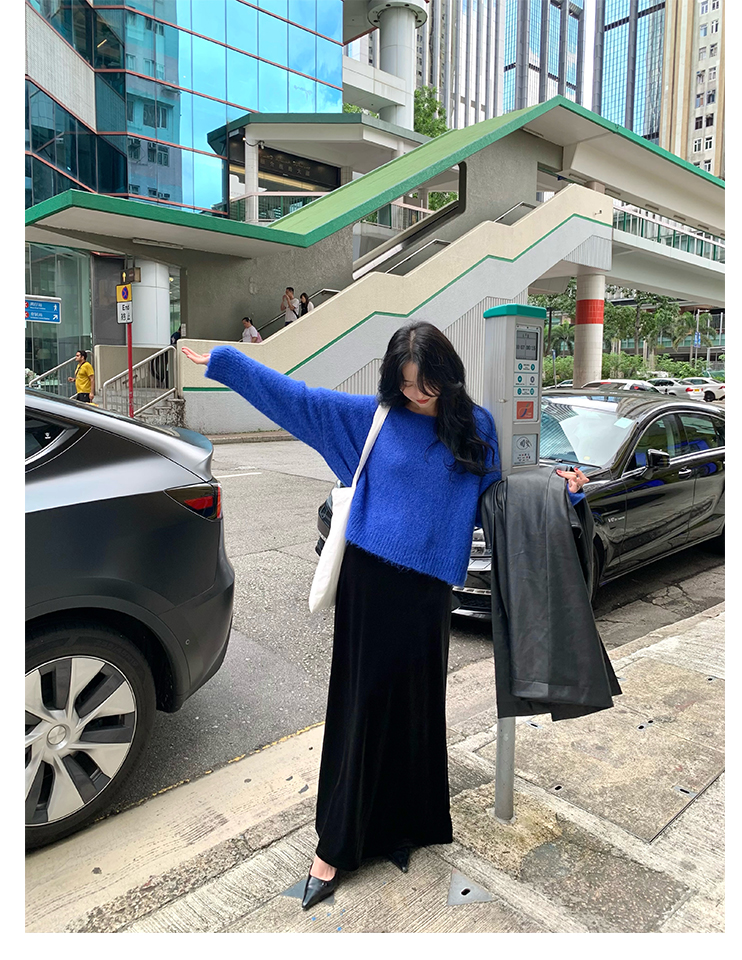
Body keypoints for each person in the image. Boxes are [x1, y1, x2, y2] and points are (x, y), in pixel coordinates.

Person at [181, 322, 589, 911]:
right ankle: (335, 847)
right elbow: (297, 400)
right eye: (406, 385)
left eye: (426, 385)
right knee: (362, 708)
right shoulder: (371, 418)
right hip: (370, 586)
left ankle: (406, 824)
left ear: (448, 376)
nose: (416, 395)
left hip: (428, 593)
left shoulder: (476, 427)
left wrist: (559, 492)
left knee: (417, 708)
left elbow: (493, 505)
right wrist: (228, 362)